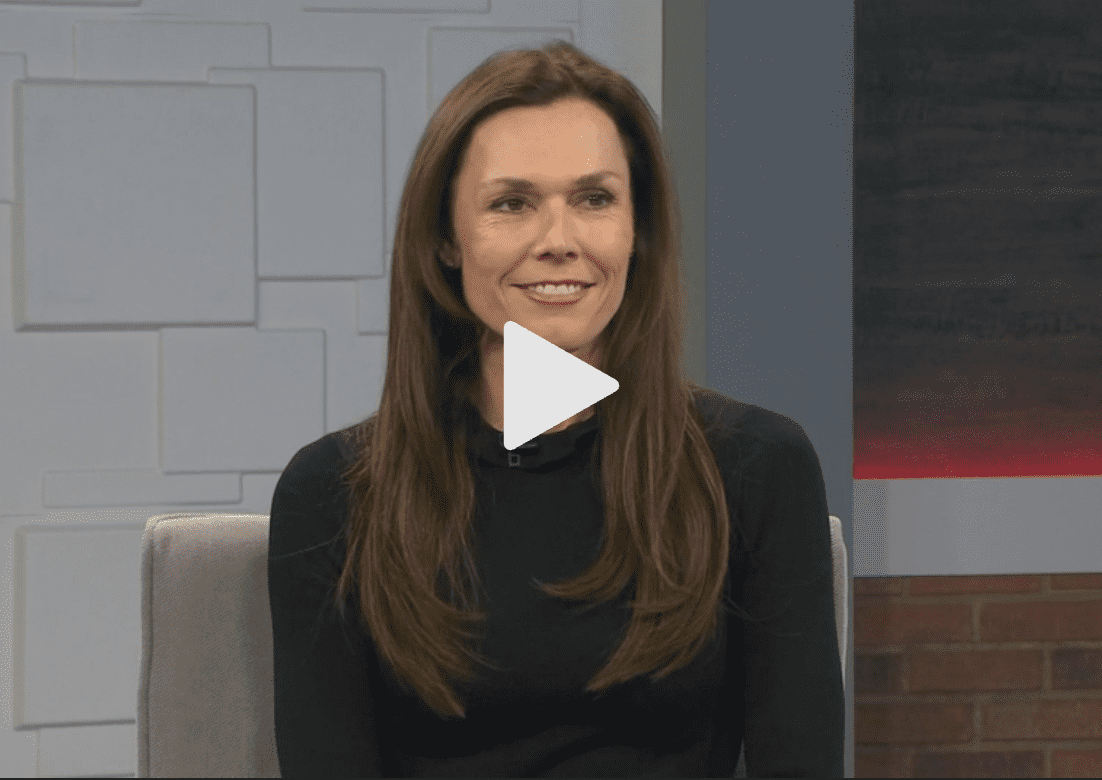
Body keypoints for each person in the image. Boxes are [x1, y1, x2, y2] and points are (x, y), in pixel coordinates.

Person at [268, 40, 844, 778]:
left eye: (594, 199)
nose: (558, 242)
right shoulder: (335, 493)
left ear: (637, 233)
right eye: (511, 204)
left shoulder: (756, 466)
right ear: (445, 238)